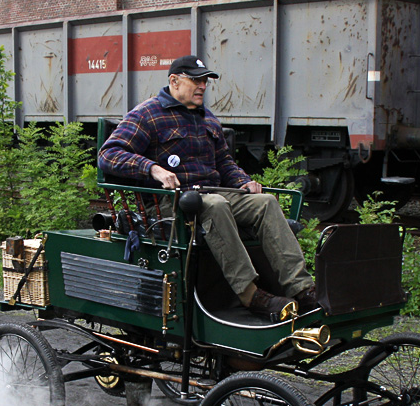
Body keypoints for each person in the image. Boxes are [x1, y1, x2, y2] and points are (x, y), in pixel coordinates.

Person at [98, 55, 316, 321]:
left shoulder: (207, 119)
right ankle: (250, 295)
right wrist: (153, 169)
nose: (202, 86)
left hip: (212, 192)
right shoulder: (147, 114)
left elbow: (224, 163)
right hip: (171, 200)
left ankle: (303, 290)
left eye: (205, 80)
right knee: (215, 205)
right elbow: (108, 154)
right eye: (196, 80)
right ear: (174, 81)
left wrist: (243, 182)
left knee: (266, 202)